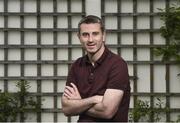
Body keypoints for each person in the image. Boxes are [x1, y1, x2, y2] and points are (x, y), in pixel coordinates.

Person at [61, 15, 131, 122]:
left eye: (95, 34)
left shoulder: (117, 65)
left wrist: (79, 103)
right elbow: (66, 109)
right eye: (85, 35)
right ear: (79, 37)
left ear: (103, 35)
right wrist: (93, 100)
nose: (90, 39)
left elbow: (107, 111)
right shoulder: (77, 65)